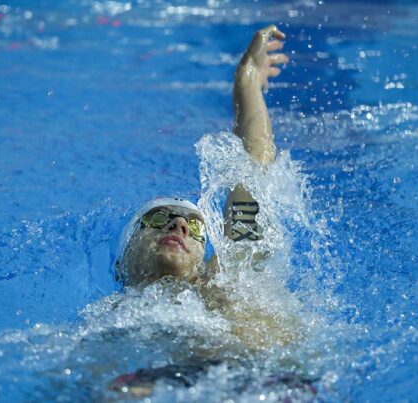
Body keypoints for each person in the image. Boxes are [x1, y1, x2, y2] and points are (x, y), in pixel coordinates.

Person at [110, 25, 312, 397]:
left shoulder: (229, 272)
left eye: (195, 225)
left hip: (277, 382)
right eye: (159, 218)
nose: (179, 226)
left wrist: (246, 81)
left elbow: (250, 171)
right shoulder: (115, 314)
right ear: (126, 257)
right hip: (187, 380)